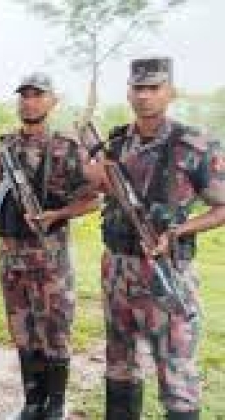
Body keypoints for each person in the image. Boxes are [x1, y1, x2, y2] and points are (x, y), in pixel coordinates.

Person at [90, 57, 225, 420]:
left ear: (171, 92)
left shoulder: (194, 144)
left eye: (154, 88)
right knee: (119, 363)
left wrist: (179, 230)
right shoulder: (115, 143)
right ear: (129, 93)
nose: (145, 95)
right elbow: (98, 189)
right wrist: (94, 176)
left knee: (176, 372)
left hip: (167, 272)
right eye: (139, 88)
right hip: (118, 269)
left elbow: (222, 206)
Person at [0, 73, 100, 419]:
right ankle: (32, 403)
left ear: (52, 101)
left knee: (55, 332)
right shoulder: (5, 148)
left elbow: (93, 199)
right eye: (24, 96)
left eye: (37, 95)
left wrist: (57, 214)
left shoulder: (67, 148)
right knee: (22, 331)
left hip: (50, 259)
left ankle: (55, 405)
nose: (29, 102)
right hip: (11, 257)